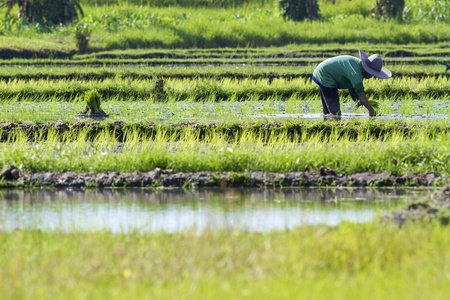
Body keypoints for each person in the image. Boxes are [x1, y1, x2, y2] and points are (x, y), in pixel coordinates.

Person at [312, 50, 392, 118]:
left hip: (322, 71)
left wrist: (356, 99)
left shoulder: (357, 67)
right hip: (326, 75)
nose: (371, 76)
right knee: (335, 113)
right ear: (367, 69)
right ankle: (333, 127)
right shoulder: (356, 72)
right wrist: (372, 111)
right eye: (372, 74)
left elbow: (352, 88)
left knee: (328, 113)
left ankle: (327, 124)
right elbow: (361, 94)